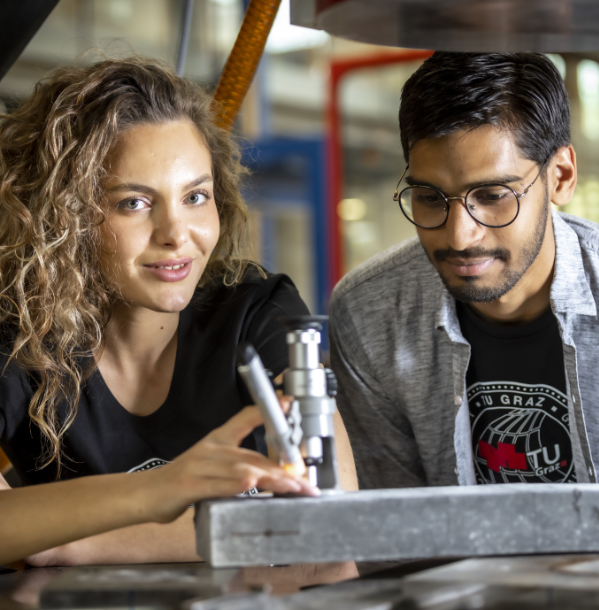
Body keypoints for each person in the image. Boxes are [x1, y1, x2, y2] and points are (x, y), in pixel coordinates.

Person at [0, 56, 357, 567]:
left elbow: (333, 522)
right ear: (63, 215)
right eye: (134, 203)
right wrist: (164, 491)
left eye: (195, 196)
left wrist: (62, 541)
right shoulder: (16, 337)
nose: (176, 234)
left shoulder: (255, 310)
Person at [329, 52, 599, 490]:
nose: (459, 236)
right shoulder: (371, 314)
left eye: (494, 194)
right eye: (429, 197)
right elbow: (394, 534)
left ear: (561, 176)